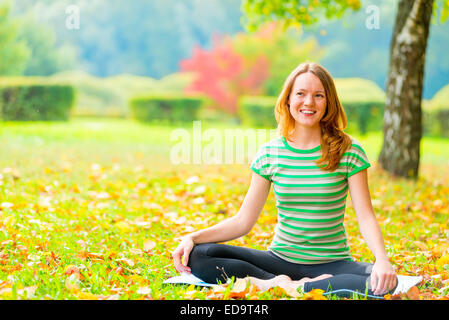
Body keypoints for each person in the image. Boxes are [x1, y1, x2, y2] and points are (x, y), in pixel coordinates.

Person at [172, 62, 398, 298]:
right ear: (288, 99)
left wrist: (381, 260)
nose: (308, 103)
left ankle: (295, 287)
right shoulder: (270, 154)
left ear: (328, 102)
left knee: (385, 283)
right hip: (278, 261)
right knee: (200, 255)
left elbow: (365, 217)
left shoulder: (348, 151)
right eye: (300, 94)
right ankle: (278, 283)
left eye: (318, 95)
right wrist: (192, 237)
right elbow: (243, 221)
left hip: (332, 263)